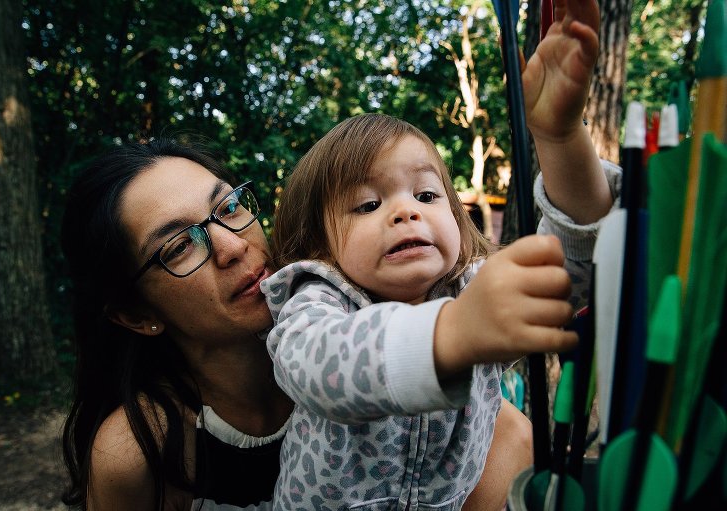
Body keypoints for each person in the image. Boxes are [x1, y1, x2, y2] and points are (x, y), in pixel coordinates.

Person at [260, 1, 618, 510]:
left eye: (427, 196)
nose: (406, 212)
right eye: (368, 204)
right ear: (319, 245)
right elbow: (322, 370)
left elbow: (574, 266)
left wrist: (559, 137)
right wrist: (455, 332)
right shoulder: (316, 302)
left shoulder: (471, 287)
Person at [59, 139, 536, 511]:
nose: (232, 246)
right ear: (137, 315)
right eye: (179, 247)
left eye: (228, 208)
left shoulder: (383, 342)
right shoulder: (140, 450)